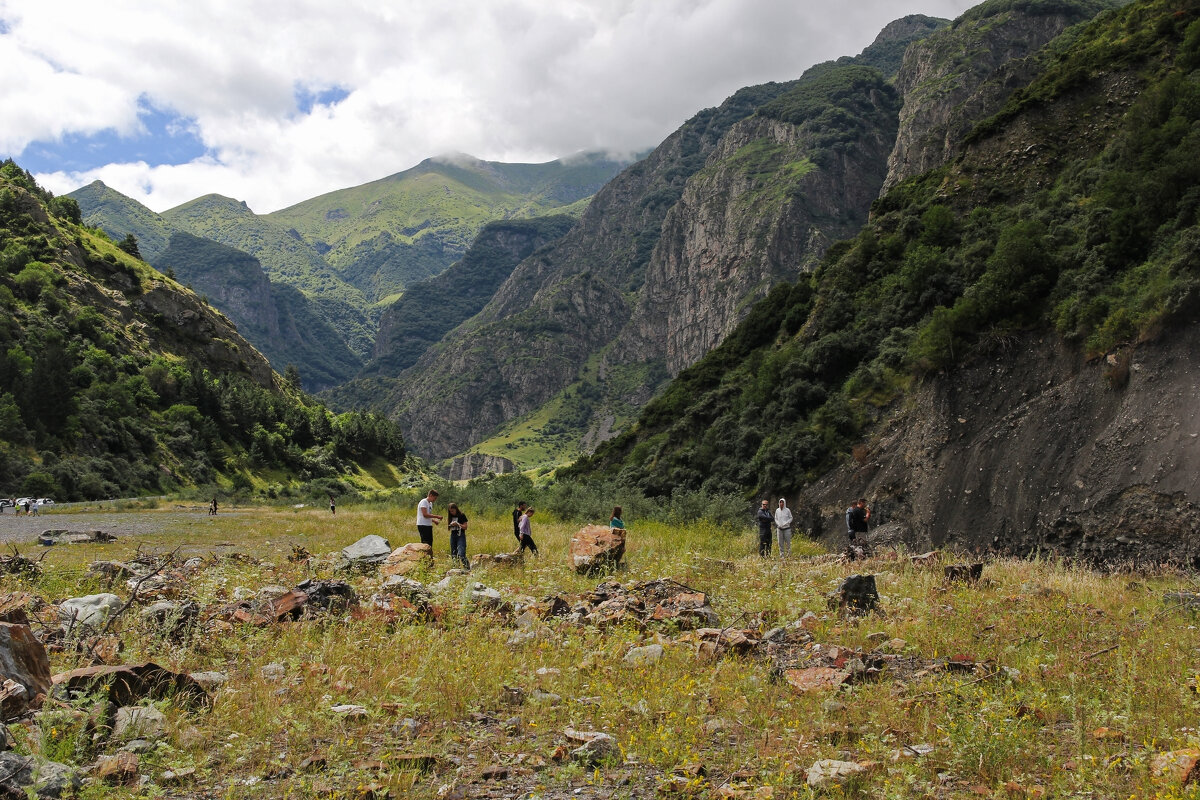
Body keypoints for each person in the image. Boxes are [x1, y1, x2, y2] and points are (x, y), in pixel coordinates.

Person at [446, 502, 470, 570]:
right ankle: (456, 568)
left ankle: (467, 568)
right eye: (450, 511)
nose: (452, 513)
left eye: (453, 511)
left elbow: (465, 527)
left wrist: (458, 524)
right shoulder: (450, 516)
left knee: (461, 553)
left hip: (460, 535)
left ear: (456, 509)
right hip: (453, 535)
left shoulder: (462, 515)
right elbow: (449, 527)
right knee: (453, 553)